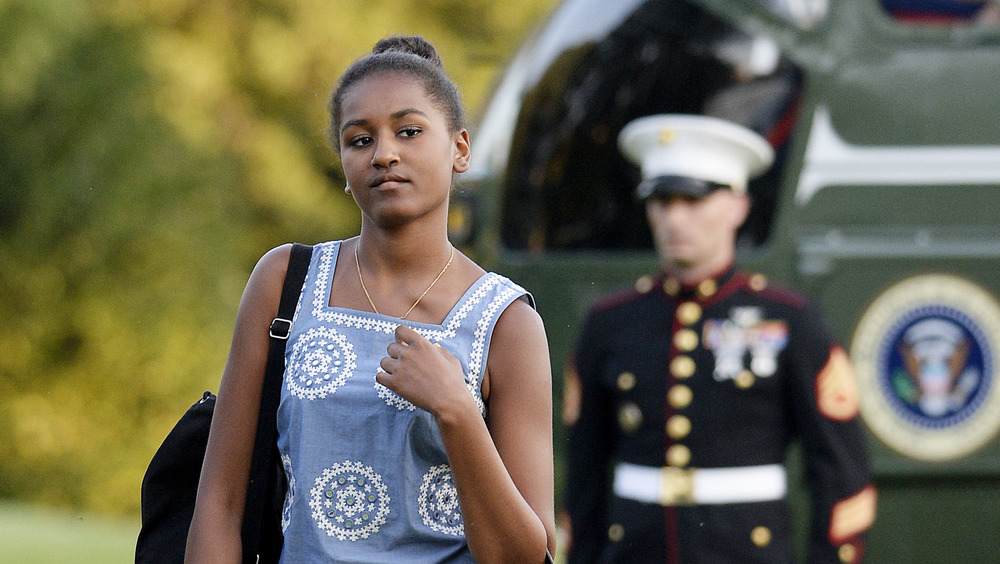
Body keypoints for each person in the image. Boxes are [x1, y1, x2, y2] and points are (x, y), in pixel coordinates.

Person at [185, 36, 556, 563]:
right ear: (342, 162)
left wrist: (457, 411)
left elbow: (527, 555)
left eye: (409, 131)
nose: (385, 153)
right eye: (360, 140)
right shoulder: (285, 281)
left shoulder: (507, 323)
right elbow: (221, 503)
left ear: (460, 149)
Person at [562, 114, 875, 564]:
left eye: (693, 200)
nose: (673, 218)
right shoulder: (610, 322)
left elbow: (841, 471)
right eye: (662, 201)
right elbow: (584, 478)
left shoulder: (790, 320)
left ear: (737, 206)